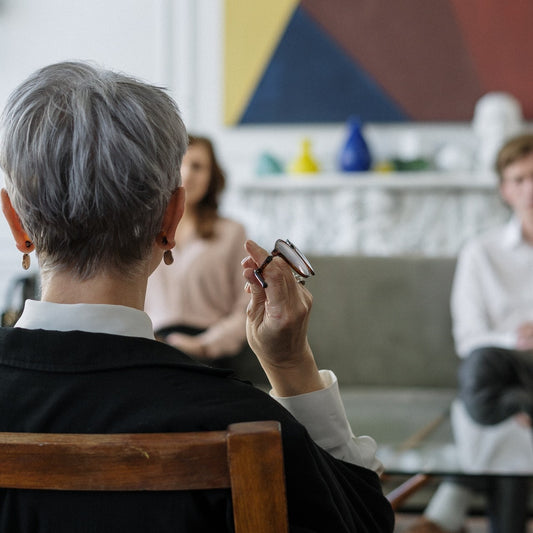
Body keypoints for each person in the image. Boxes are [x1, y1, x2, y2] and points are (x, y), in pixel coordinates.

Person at [0, 61, 394, 532]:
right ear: (172, 221)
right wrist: (291, 368)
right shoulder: (247, 425)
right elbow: (364, 523)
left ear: (16, 223)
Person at [408, 133, 533, 533]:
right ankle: (522, 404)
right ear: (504, 190)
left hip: (502, 393)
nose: (530, 188)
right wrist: (515, 340)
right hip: (499, 370)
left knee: (489, 406)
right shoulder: (481, 252)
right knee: (483, 368)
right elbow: (469, 338)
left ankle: (444, 514)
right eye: (519, 179)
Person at [145, 135, 250, 368]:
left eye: (198, 166)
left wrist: (205, 345)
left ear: (212, 177)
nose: (188, 173)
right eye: (180, 163)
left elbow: (246, 308)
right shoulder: (143, 231)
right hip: (152, 349)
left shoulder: (233, 232)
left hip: (212, 353)